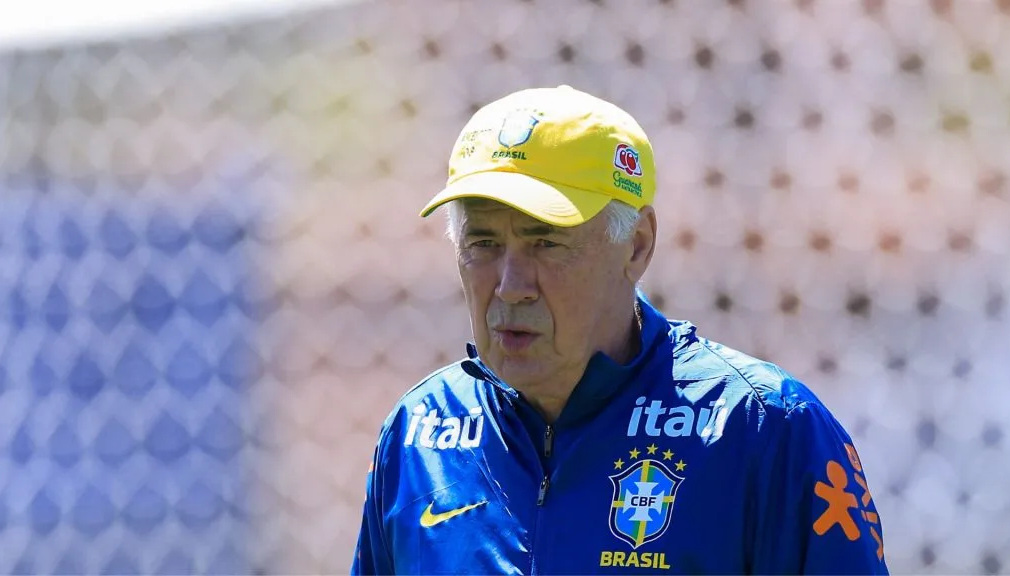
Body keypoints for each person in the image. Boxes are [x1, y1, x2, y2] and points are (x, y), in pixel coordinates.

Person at [351, 85, 889, 575]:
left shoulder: (763, 429)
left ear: (636, 246)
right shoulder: (418, 433)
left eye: (546, 243)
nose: (511, 285)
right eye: (483, 244)